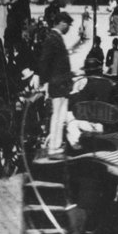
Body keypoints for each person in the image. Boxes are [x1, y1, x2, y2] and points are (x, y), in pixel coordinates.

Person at [39, 11, 74, 157]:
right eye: (68, 25)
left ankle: (57, 144)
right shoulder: (52, 38)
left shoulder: (56, 37)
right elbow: (45, 62)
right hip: (57, 83)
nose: (69, 28)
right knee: (57, 116)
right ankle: (53, 147)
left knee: (61, 115)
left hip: (62, 83)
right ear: (62, 23)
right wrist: (45, 82)